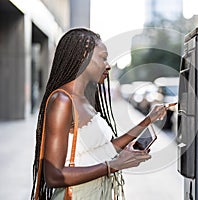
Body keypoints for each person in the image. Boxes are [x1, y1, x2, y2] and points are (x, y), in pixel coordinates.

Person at [31, 28, 167, 200]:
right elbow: (53, 175)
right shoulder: (63, 101)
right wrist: (113, 166)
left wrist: (149, 119)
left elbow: (106, 148)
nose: (108, 65)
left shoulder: (85, 99)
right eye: (103, 58)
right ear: (83, 57)